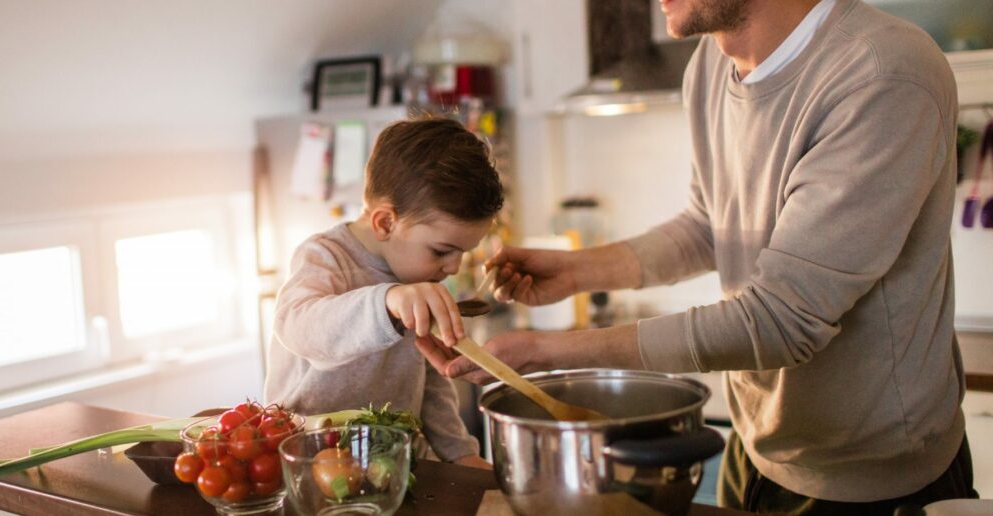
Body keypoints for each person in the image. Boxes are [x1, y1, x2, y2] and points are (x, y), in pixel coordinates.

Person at [417, 0, 980, 512]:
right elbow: (709, 227)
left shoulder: (882, 74)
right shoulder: (709, 66)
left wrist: (550, 352)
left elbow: (783, 321)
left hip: (872, 478)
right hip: (756, 449)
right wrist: (577, 270)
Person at [264, 117, 502, 470]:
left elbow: (430, 378)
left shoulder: (417, 273)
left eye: (463, 252)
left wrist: (459, 451)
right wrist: (387, 302)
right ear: (386, 223)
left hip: (393, 465)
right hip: (310, 463)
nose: (453, 267)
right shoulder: (325, 256)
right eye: (441, 251)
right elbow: (298, 327)